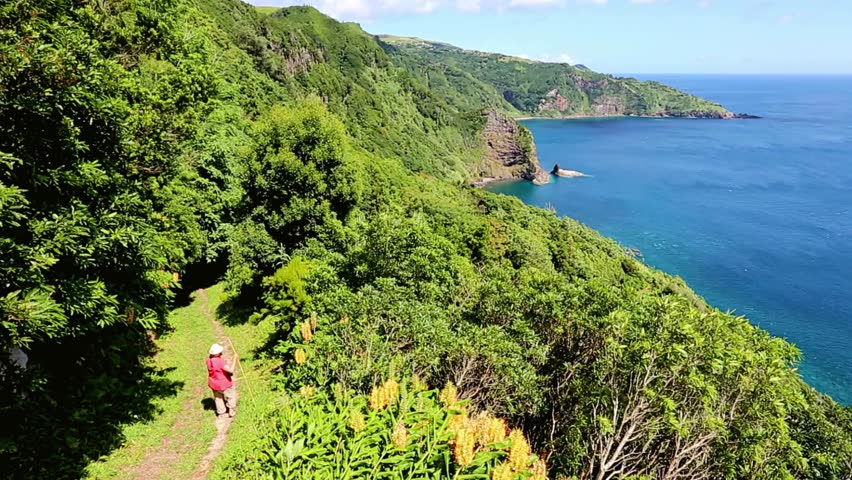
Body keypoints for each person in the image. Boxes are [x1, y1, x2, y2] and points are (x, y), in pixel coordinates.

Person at [207, 343, 237, 418]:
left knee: (218, 398)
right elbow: (230, 370)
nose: (221, 353)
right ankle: (231, 410)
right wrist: (235, 359)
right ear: (217, 354)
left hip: (214, 383)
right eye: (220, 352)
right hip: (224, 383)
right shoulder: (220, 362)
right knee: (231, 396)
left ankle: (221, 413)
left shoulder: (208, 360)